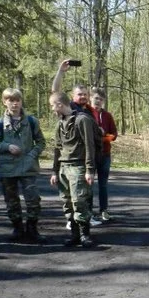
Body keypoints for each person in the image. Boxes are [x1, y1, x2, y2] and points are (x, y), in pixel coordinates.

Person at [0, 88, 47, 242]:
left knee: (33, 199)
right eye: (11, 100)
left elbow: (41, 142)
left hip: (28, 167)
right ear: (4, 102)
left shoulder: (31, 121)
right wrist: (7, 147)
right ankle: (17, 228)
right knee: (11, 200)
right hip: (8, 168)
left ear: (21, 102)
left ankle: (32, 229)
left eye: (17, 100)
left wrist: (32, 155)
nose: (14, 104)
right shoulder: (0, 123)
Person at [49, 91, 97, 248]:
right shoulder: (60, 124)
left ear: (59, 104)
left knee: (80, 202)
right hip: (64, 167)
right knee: (67, 203)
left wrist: (90, 170)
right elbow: (57, 149)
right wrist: (55, 171)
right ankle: (74, 234)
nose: (52, 109)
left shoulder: (82, 120)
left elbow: (90, 146)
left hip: (78, 166)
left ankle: (85, 235)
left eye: (52, 106)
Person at [90, 87, 117, 222]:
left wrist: (104, 138)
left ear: (104, 101)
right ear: (91, 99)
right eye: (96, 98)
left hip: (105, 154)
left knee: (103, 184)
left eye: (101, 99)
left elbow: (114, 134)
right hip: (90, 155)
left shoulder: (108, 116)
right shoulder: (86, 114)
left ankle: (103, 210)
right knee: (88, 183)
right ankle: (88, 211)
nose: (98, 101)